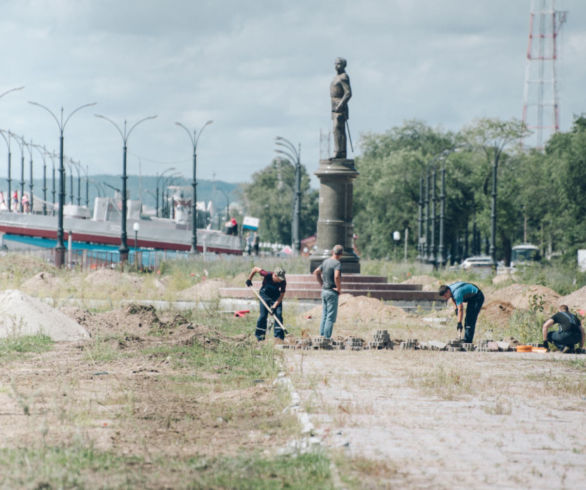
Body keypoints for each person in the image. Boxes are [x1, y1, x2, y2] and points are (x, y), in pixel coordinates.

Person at [246, 266, 287, 341]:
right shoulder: (267, 274)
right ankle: (259, 337)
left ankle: (279, 338)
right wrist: (249, 279)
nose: (280, 280)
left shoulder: (283, 281)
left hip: (276, 296)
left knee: (278, 314)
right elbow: (255, 268)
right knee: (263, 315)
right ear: (274, 275)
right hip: (264, 295)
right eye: (279, 279)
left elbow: (281, 295)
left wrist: (274, 306)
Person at [313, 244, 343, 338]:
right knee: (330, 317)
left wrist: (321, 283)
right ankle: (326, 338)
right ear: (341, 254)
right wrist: (338, 288)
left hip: (324, 291)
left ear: (332, 252)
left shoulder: (325, 262)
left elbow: (316, 272)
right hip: (332, 292)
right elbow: (337, 276)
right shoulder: (337, 263)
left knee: (324, 315)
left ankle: (322, 336)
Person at [330, 57, 352, 159]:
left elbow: (348, 93)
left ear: (343, 65)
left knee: (337, 128)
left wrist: (341, 105)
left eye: (338, 64)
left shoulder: (343, 77)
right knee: (336, 129)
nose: (336, 66)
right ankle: (339, 151)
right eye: (335, 64)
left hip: (340, 106)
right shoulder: (336, 77)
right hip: (334, 106)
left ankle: (339, 151)